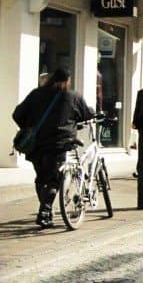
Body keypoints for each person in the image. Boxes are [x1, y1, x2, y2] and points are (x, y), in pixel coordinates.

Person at [12, 69, 93, 228]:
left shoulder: (36, 94)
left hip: (36, 145)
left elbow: (17, 114)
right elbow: (87, 115)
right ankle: (44, 213)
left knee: (42, 178)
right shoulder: (72, 96)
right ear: (66, 81)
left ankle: (46, 211)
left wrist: (30, 127)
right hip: (58, 144)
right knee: (53, 180)